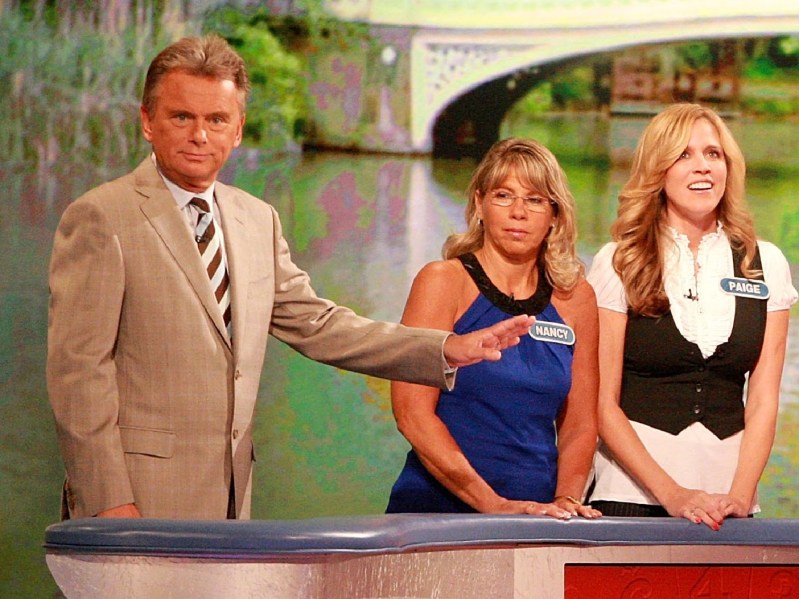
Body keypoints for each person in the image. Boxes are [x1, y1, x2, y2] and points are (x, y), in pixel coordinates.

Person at [46, 35, 536, 521]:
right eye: (182, 117)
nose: (200, 135)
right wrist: (108, 500)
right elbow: (78, 374)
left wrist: (445, 348)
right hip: (132, 504)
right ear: (148, 122)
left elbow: (321, 325)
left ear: (237, 130)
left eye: (217, 120)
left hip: (231, 504)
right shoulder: (101, 217)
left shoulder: (256, 219)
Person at [587, 103, 797, 529]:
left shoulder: (766, 263)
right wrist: (672, 494)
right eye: (683, 155)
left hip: (730, 507)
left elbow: (762, 402)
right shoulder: (618, 261)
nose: (702, 167)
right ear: (658, 170)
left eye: (712, 154)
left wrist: (740, 494)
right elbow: (600, 402)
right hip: (630, 495)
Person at [385, 138, 601, 519]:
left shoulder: (576, 299)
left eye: (535, 200)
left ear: (554, 215)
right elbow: (412, 414)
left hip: (537, 516)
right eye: (504, 195)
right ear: (480, 204)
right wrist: (492, 505)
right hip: (437, 511)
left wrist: (567, 501)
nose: (519, 211)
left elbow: (580, 424)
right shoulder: (443, 281)